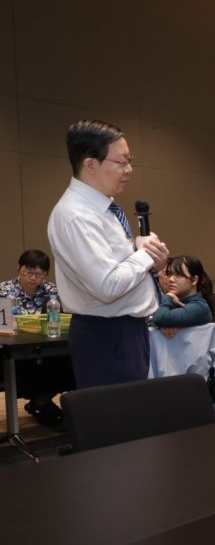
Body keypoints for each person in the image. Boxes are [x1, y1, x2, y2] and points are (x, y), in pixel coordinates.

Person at [47, 119, 169, 389]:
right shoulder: (76, 215)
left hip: (127, 330)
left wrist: (148, 259)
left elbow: (118, 266)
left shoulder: (104, 208)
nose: (129, 170)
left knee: (133, 411)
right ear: (90, 165)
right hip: (106, 334)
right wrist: (144, 253)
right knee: (116, 414)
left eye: (130, 161)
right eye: (122, 162)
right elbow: (107, 285)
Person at [0, 250, 75, 423]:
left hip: (43, 346)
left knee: (68, 362)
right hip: (14, 348)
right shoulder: (4, 290)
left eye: (39, 274)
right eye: (28, 272)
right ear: (19, 268)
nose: (33, 278)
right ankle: (38, 403)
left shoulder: (51, 291)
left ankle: (41, 401)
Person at [151, 255, 213, 335]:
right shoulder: (176, 303)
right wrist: (164, 324)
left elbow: (160, 318)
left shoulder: (199, 307)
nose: (171, 279)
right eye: (170, 274)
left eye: (179, 275)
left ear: (194, 280)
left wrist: (168, 296)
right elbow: (152, 322)